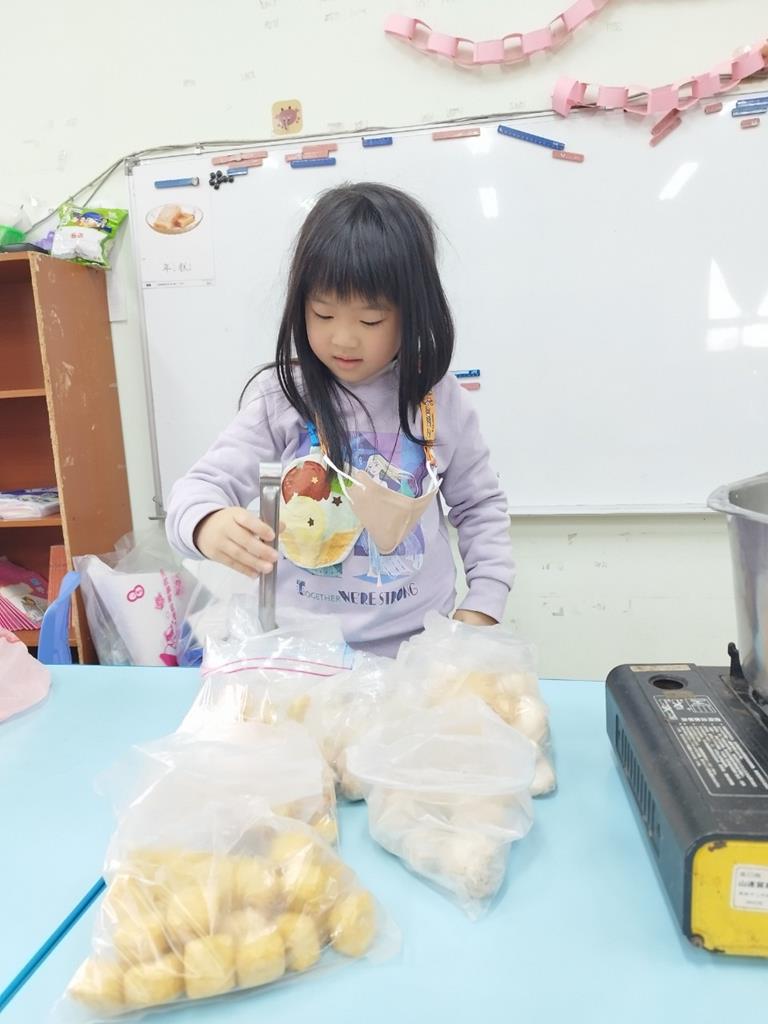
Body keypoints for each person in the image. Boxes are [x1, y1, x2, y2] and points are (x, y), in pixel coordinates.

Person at [166, 183, 514, 656]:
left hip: (416, 651)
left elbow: (479, 508)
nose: (343, 339)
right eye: (323, 314)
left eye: (370, 321)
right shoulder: (284, 397)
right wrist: (206, 524)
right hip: (304, 651)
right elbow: (199, 488)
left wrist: (484, 602)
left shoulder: (438, 398)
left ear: (414, 313)